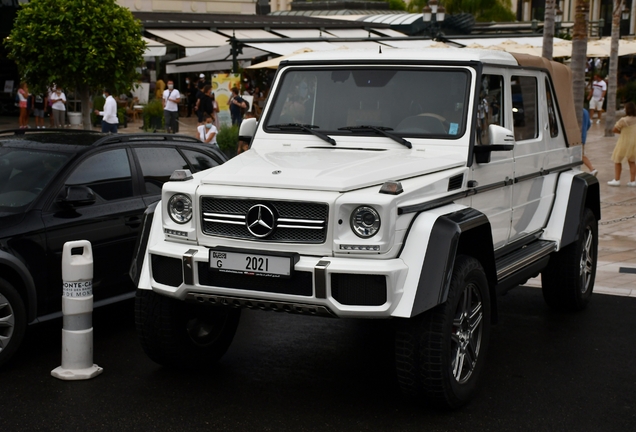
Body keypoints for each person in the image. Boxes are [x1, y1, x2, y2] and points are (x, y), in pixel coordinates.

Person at [608, 102, 636, 187]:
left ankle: (617, 180)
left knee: (617, 159)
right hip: (634, 142)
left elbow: (614, 129)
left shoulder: (623, 120)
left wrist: (622, 132)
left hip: (624, 141)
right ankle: (632, 181)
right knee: (632, 161)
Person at [581, 108, 597, 176]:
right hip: (583, 136)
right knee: (581, 154)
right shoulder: (585, 111)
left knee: (580, 154)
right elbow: (588, 124)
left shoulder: (574, 110)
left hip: (577, 137)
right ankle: (592, 169)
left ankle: (592, 169)